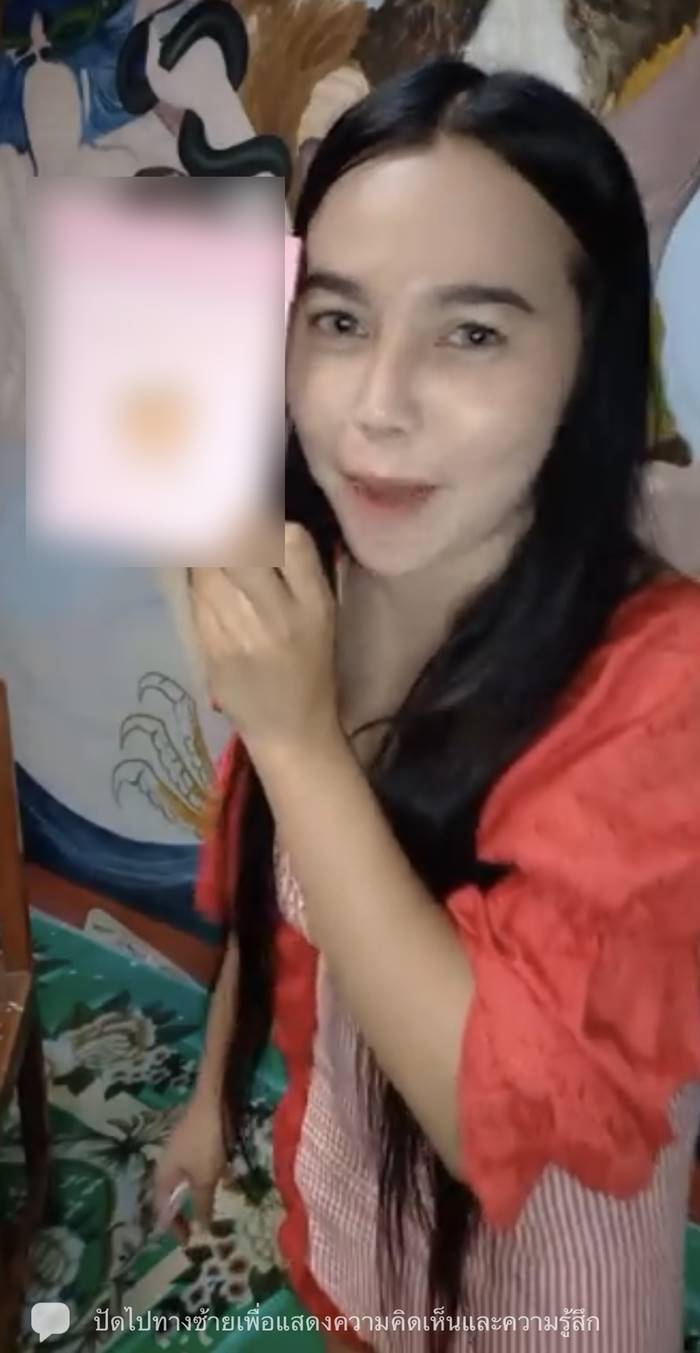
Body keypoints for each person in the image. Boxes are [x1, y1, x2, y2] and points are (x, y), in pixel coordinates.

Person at [154, 59, 700, 1352]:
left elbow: (489, 1102)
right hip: (362, 1235)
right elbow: (273, 875)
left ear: (589, 357)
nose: (378, 408)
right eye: (340, 321)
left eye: (473, 333)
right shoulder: (313, 586)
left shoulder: (663, 687)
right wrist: (209, 1096)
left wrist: (298, 735)